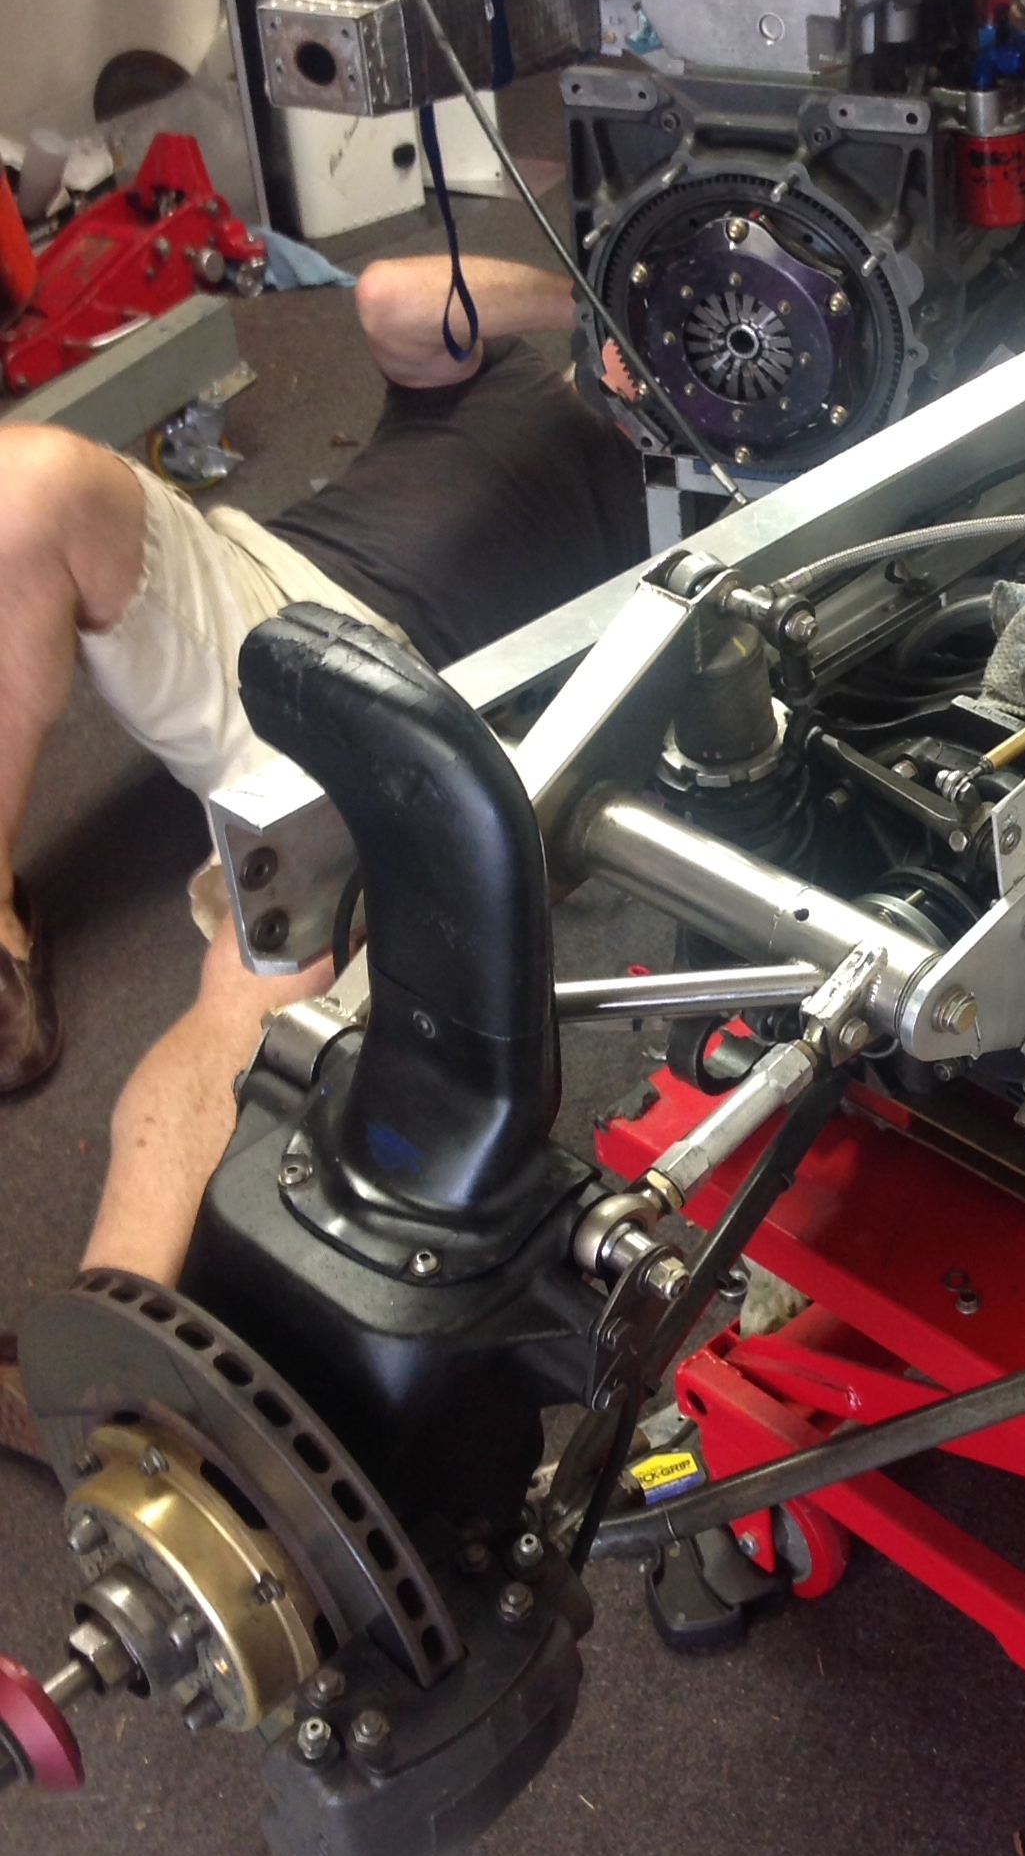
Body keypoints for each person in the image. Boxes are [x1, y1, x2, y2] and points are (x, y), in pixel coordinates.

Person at [0, 255, 647, 1453]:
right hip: (265, 605)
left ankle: (97, 1378)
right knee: (25, 483)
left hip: (429, 710)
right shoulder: (506, 356)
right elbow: (390, 297)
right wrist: (608, 294)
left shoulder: (720, 468)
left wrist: (692, 414)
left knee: (268, 979)